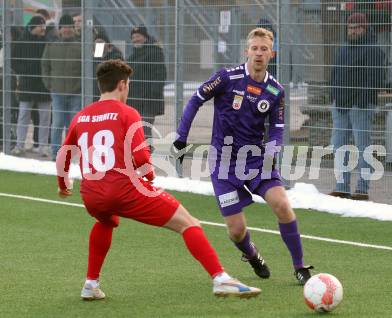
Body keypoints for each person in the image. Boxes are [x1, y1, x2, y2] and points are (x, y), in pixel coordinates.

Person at [55, 59, 260, 300]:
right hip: (124, 189)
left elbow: (64, 155)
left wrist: (62, 185)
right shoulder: (127, 113)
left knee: (105, 221)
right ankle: (221, 279)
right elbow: (141, 157)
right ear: (122, 84)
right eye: (128, 84)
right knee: (189, 223)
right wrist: (149, 180)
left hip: (91, 194)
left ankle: (90, 284)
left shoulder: (81, 117)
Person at [173, 28, 313, 285]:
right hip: (223, 165)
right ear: (246, 51)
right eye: (254, 48)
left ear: (273, 54)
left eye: (264, 50)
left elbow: (277, 129)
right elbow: (196, 99)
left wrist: (271, 155)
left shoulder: (275, 90)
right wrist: (181, 138)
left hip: (257, 161)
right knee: (237, 231)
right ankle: (251, 254)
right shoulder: (226, 78)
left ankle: (300, 266)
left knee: (283, 205)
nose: (259, 54)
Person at [329, 12, 384, 200]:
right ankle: (342, 186)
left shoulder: (374, 49)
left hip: (359, 106)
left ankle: (362, 188)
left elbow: (376, 79)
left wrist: (362, 101)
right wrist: (334, 97)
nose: (352, 31)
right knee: (338, 147)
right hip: (340, 105)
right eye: (350, 28)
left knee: (363, 147)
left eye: (356, 28)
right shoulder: (343, 48)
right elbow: (335, 73)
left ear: (364, 28)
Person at [42, 14, 82, 160]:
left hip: (76, 92)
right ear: (59, 29)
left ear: (73, 28)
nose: (66, 30)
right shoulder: (51, 45)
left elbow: (87, 66)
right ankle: (55, 153)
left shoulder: (80, 44)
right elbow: (45, 65)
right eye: (64, 27)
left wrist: (81, 86)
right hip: (57, 92)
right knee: (58, 123)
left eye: (69, 27)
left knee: (73, 126)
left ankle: (70, 154)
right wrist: (49, 84)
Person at [10, 15, 51, 157]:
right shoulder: (21, 42)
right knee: (24, 115)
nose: (43, 28)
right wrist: (25, 71)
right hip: (27, 84)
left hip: (43, 85)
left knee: (45, 117)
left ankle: (43, 147)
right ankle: (20, 145)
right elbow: (14, 62)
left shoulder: (46, 41)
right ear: (34, 26)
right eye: (41, 25)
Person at [127, 25, 166, 142]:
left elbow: (160, 73)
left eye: (138, 36)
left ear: (145, 37)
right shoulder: (133, 55)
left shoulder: (154, 52)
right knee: (134, 130)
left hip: (149, 99)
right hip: (134, 99)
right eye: (133, 37)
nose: (135, 39)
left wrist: (154, 93)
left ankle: (145, 154)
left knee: (144, 129)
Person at [93, 30, 123, 99]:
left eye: (100, 42)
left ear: (108, 45)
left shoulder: (115, 57)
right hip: (96, 95)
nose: (98, 45)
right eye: (96, 43)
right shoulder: (93, 59)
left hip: (110, 94)